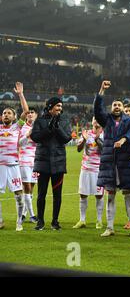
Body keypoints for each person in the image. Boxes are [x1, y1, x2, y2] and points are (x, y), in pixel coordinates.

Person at [93, 80, 130, 237]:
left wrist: (124, 139)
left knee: (129, 195)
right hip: (110, 162)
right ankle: (110, 227)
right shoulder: (106, 120)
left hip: (126, 162)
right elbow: (97, 109)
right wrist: (101, 90)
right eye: (114, 105)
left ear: (122, 108)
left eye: (119, 105)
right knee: (111, 195)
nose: (117, 107)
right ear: (111, 108)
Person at [31, 96, 72, 231]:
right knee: (41, 194)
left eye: (61, 106)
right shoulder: (40, 121)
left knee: (57, 195)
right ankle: (40, 221)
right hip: (43, 162)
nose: (60, 108)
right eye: (57, 106)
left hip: (58, 162)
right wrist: (48, 128)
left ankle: (55, 221)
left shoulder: (64, 120)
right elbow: (35, 137)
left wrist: (57, 127)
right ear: (50, 107)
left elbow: (66, 138)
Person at [0, 82, 29, 231]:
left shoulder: (16, 127)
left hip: (13, 166)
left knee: (19, 194)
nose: (6, 115)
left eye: (9, 113)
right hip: (0, 167)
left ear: (14, 117)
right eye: (4, 113)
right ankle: (0, 221)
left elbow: (26, 110)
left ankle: (19, 222)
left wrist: (20, 94)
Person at [72, 118, 104, 229]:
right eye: (95, 120)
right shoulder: (86, 133)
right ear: (92, 121)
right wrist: (84, 139)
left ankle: (99, 221)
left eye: (98, 120)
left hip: (98, 170)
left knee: (99, 195)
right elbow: (78, 149)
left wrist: (98, 138)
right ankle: (82, 220)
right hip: (85, 169)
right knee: (83, 195)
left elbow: (104, 150)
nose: (97, 122)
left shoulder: (105, 134)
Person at [19, 107, 38, 223]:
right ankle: (32, 215)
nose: (30, 114)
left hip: (36, 161)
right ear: (26, 115)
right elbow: (19, 143)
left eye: (32, 112)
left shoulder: (38, 128)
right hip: (24, 160)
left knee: (31, 188)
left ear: (36, 115)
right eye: (29, 112)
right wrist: (27, 135)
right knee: (26, 187)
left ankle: (24, 214)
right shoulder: (22, 127)